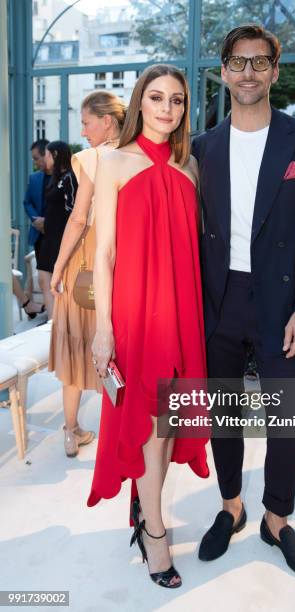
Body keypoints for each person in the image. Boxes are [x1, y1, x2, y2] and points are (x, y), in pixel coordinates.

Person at [192, 25, 295, 581]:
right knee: (223, 415)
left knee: (286, 419)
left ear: (276, 71)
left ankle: (277, 519)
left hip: (284, 304)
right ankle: (231, 507)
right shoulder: (203, 148)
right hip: (219, 301)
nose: (248, 72)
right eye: (237, 62)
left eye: (259, 62)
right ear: (224, 72)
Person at [90, 64, 209, 589]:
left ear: (185, 109)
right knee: (148, 416)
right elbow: (104, 253)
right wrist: (102, 328)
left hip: (181, 308)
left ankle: (147, 512)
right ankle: (154, 529)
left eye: (177, 100)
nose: (167, 108)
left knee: (166, 417)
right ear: (140, 102)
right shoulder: (113, 161)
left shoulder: (190, 169)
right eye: (157, 97)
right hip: (135, 312)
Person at [48, 91, 126, 459]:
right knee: (114, 350)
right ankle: (119, 438)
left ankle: (71, 429)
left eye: (86, 122)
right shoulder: (136, 154)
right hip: (124, 262)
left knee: (76, 343)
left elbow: (78, 219)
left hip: (89, 260)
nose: (83, 131)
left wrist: (59, 266)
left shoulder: (93, 158)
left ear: (106, 120)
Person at [36, 141, 77, 318]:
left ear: (55, 155)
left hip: (61, 238)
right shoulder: (55, 178)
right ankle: (52, 323)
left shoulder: (70, 177)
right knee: (44, 279)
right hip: (49, 237)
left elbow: (74, 209)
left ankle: (58, 323)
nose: (45, 158)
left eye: (46, 154)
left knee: (59, 282)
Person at [23, 139, 51, 309]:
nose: (34, 162)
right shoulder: (34, 179)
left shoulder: (64, 177)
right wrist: (36, 220)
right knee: (43, 277)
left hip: (57, 236)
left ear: (46, 154)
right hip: (39, 236)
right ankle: (49, 314)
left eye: (36, 158)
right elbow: (27, 203)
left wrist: (48, 222)